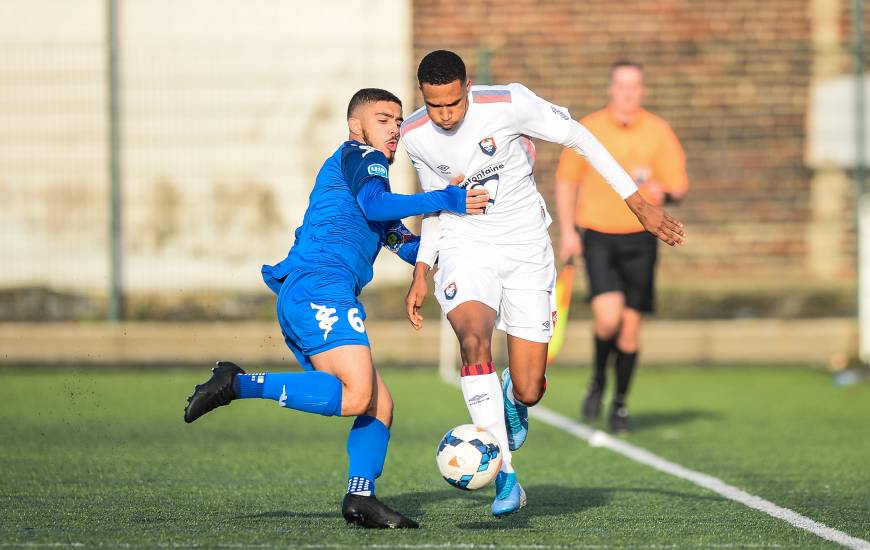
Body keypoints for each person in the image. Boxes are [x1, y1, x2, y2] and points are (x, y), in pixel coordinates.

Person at [182, 88, 489, 529]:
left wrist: (460, 250)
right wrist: (445, 198)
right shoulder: (361, 157)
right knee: (359, 395)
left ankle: (360, 497)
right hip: (319, 288)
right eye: (384, 119)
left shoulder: (371, 179)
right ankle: (238, 383)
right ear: (356, 125)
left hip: (317, 291)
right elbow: (375, 206)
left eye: (399, 122)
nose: (395, 130)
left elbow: (402, 243)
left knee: (379, 405)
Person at [402, 50, 685, 517]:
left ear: (467, 87)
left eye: (453, 103)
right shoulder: (416, 135)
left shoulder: (510, 102)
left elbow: (581, 139)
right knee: (473, 340)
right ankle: (506, 475)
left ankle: (515, 397)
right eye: (436, 106)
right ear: (423, 97)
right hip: (464, 243)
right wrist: (423, 267)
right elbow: (435, 203)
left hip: (526, 247)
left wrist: (637, 204)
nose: (446, 115)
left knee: (531, 388)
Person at [555, 60, 689, 433]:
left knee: (630, 329)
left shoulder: (658, 131)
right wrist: (568, 231)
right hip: (598, 235)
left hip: (642, 240)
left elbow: (677, 184)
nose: (628, 93)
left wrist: (666, 192)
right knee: (607, 318)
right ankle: (598, 379)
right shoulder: (590, 129)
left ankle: (621, 403)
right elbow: (567, 182)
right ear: (611, 88)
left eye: (635, 86)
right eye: (621, 86)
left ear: (642, 91)